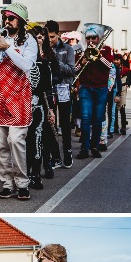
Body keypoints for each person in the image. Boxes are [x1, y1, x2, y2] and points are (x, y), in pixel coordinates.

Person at [0, 2, 36, 201]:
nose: (7, 21)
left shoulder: (29, 41)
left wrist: (8, 48)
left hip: (19, 96)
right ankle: (7, 184)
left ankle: (22, 183)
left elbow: (26, 65)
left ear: (21, 21)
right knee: (1, 144)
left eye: (11, 18)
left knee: (16, 141)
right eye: (5, 18)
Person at [74, 25, 115, 161]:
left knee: (98, 119)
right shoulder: (81, 51)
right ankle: (84, 148)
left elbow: (109, 65)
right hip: (85, 88)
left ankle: (95, 147)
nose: (91, 41)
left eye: (94, 38)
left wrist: (98, 56)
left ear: (99, 38)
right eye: (88, 38)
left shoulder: (106, 50)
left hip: (101, 88)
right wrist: (83, 61)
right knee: (85, 118)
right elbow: (74, 69)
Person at [26, 26, 59, 190]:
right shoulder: (21, 60)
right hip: (21, 104)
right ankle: (25, 172)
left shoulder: (45, 63)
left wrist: (51, 110)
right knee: (23, 141)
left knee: (38, 139)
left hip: (38, 105)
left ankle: (36, 173)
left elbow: (48, 88)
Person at [46, 20, 77, 168]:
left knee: (65, 123)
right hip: (50, 89)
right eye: (48, 37)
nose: (50, 40)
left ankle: (67, 152)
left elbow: (71, 70)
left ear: (58, 35)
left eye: (52, 37)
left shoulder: (67, 49)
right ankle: (56, 156)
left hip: (63, 88)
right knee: (51, 124)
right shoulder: (44, 49)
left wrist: (55, 61)